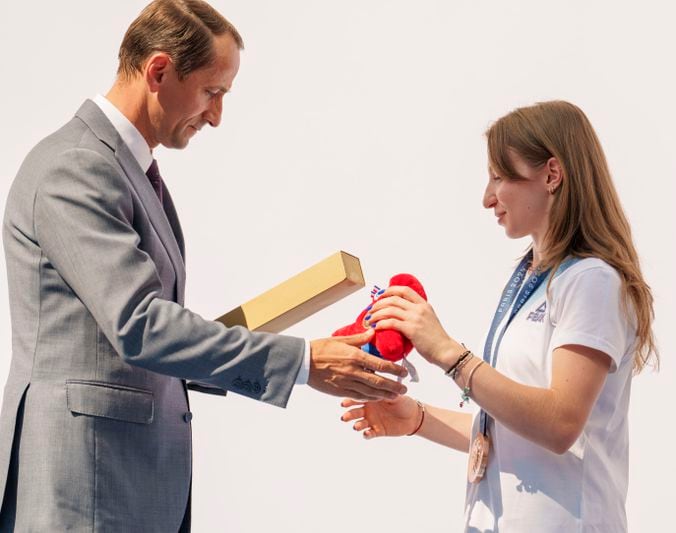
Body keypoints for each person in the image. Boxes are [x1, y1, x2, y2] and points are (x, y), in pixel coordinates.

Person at [0, 1, 408, 531]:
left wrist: (301, 352)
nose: (216, 115)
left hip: (124, 481)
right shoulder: (77, 166)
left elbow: (140, 335)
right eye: (212, 92)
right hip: (85, 484)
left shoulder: (127, 169)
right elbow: (140, 326)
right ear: (159, 71)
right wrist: (303, 362)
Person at [341, 100, 658, 532]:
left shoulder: (591, 281)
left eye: (498, 176)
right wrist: (417, 418)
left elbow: (560, 424)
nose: (488, 198)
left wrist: (448, 353)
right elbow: (511, 434)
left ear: (551, 174)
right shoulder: (535, 279)